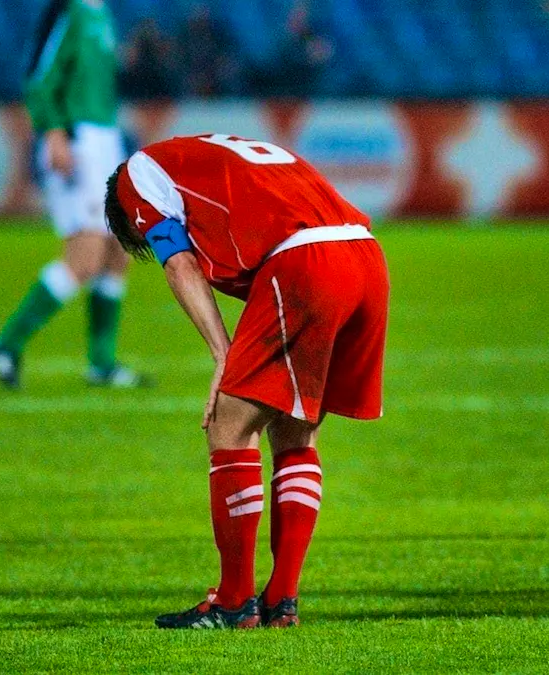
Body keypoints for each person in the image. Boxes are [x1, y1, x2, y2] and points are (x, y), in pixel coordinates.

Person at [104, 134, 389, 628]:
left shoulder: (135, 177)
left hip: (307, 261)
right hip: (365, 258)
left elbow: (179, 262)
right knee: (296, 429)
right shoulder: (218, 155)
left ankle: (234, 602)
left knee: (229, 427)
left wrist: (223, 354)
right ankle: (282, 600)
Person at [0, 0, 150, 389]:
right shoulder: (71, 11)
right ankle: (7, 343)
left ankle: (101, 364)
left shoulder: (100, 12)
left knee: (118, 251)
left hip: (105, 137)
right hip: (78, 140)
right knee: (85, 256)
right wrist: (54, 132)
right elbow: (40, 77)